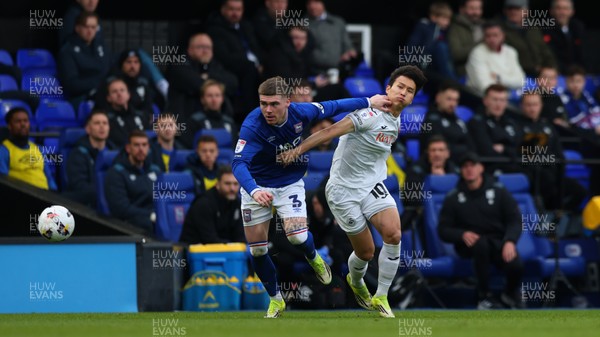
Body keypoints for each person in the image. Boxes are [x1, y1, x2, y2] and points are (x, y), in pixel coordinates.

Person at [232, 75, 391, 318]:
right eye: (263, 103)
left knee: (296, 237)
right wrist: (254, 189)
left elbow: (334, 106)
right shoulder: (253, 125)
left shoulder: (301, 112)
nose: (267, 109)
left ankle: (313, 256)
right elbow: (238, 163)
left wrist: (369, 101)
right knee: (257, 251)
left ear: (287, 101)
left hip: (289, 184)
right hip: (257, 186)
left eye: (274, 103)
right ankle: (276, 300)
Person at [279, 65, 427, 318]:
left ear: (413, 98)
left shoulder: (397, 118)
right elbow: (328, 132)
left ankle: (381, 296)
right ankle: (355, 281)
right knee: (366, 252)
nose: (403, 93)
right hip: (342, 191)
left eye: (410, 91)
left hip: (372, 185)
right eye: (400, 87)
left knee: (393, 234)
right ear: (388, 88)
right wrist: (296, 151)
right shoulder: (369, 115)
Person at [438, 151, 524, 309]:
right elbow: (443, 230)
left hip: (498, 241)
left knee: (515, 262)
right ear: (461, 171)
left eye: (473, 165)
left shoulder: (499, 191)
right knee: (481, 245)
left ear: (481, 168)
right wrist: (461, 234)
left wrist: (510, 241)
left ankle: (510, 294)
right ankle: (484, 297)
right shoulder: (453, 197)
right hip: (469, 245)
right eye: (465, 167)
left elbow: (515, 220)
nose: (469, 169)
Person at [517, 92, 587, 213]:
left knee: (580, 191)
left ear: (541, 105)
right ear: (521, 106)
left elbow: (559, 154)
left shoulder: (548, 126)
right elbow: (526, 156)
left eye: (535, 104)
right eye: (528, 105)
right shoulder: (516, 126)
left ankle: (558, 217)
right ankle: (549, 219)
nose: (532, 108)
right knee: (549, 185)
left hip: (553, 173)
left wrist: (556, 165)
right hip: (532, 174)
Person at [206, 0, 264, 120]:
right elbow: (224, 57)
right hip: (235, 69)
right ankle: (251, 115)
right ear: (223, 10)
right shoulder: (215, 29)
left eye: (238, 10)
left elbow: (258, 48)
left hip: (256, 66)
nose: (235, 13)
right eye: (231, 9)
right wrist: (253, 64)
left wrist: (262, 63)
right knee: (249, 70)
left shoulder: (246, 26)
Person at [166, 32, 238, 119]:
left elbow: (233, 82)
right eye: (200, 47)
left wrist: (208, 75)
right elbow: (197, 84)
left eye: (208, 47)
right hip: (185, 120)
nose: (205, 51)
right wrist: (214, 82)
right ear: (190, 50)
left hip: (214, 120)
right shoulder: (179, 65)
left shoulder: (215, 65)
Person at [104, 130, 161, 232]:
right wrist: (150, 215)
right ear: (128, 148)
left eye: (144, 145)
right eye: (136, 145)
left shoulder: (155, 170)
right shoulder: (116, 173)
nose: (141, 149)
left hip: (155, 217)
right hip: (130, 224)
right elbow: (121, 209)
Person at [402, 134, 459, 233]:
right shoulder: (415, 171)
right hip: (422, 219)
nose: (437, 154)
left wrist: (443, 180)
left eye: (441, 150)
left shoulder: (455, 171)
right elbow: (411, 199)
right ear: (427, 153)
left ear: (447, 153)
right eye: (433, 150)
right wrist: (431, 182)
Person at [58, 11, 111, 111]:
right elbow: (71, 84)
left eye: (93, 27)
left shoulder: (101, 47)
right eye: (86, 27)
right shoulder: (67, 51)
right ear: (77, 28)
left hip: (103, 92)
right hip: (80, 98)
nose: (90, 31)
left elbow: (110, 70)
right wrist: (99, 83)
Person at [63, 109, 116, 207]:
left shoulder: (113, 152)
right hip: (88, 204)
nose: (102, 126)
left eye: (105, 123)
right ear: (88, 129)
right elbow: (79, 187)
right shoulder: (78, 153)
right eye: (97, 123)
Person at [179, 165, 245, 244]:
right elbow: (210, 240)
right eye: (227, 184)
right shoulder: (203, 204)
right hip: (194, 251)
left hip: (223, 250)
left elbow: (240, 237)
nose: (232, 188)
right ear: (217, 184)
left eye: (235, 184)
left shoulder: (237, 203)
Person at [467, 84, 523, 175]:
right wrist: (511, 152)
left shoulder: (512, 123)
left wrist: (504, 149)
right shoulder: (476, 122)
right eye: (495, 99)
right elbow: (487, 152)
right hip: (489, 170)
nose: (498, 104)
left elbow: (523, 151)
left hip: (514, 167)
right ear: (485, 101)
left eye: (502, 100)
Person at [95, 49, 163, 119]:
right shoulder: (110, 83)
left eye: (136, 62)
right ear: (122, 64)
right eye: (128, 62)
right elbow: (101, 107)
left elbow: (149, 110)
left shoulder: (144, 83)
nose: (132, 66)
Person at [0, 108, 57, 190]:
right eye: (18, 121)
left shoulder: (39, 149)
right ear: (9, 126)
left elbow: (49, 178)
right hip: (22, 196)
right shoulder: (3, 151)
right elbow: (4, 183)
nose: (23, 124)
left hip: (46, 195)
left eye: (25, 121)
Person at [465, 21, 526, 95]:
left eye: (495, 35)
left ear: (503, 36)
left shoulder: (511, 51)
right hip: (481, 96)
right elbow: (484, 85)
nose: (492, 39)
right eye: (488, 36)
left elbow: (521, 81)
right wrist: (509, 82)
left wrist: (498, 78)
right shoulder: (477, 53)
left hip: (508, 95)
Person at [421, 81, 475, 163]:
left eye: (456, 100)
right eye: (449, 99)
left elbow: (472, 146)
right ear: (438, 98)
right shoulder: (428, 121)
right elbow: (438, 149)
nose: (453, 104)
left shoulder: (460, 122)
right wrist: (463, 149)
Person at [500, 0, 557, 77]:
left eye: (517, 9)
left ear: (526, 11)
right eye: (510, 9)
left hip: (540, 74)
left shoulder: (533, 28)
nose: (513, 12)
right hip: (516, 74)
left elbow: (545, 50)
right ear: (505, 11)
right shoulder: (500, 30)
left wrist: (550, 67)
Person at [305, 0, 359, 78]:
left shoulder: (338, 22)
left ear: (323, 3)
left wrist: (349, 51)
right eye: (309, 3)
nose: (312, 6)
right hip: (313, 73)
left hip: (339, 72)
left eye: (316, 2)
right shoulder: (302, 24)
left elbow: (347, 43)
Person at [404, 1, 456, 80]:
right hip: (421, 64)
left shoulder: (444, 32)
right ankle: (452, 81)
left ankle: (452, 79)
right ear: (434, 17)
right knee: (441, 46)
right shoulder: (424, 27)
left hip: (434, 67)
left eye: (449, 19)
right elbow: (411, 47)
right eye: (444, 18)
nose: (447, 22)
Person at [181, 79, 237, 149]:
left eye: (217, 95)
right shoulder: (194, 122)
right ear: (202, 99)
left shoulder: (230, 123)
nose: (214, 99)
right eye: (210, 96)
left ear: (222, 98)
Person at [104, 78, 150, 148]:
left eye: (122, 90)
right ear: (108, 98)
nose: (119, 94)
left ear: (128, 94)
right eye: (114, 91)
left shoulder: (142, 116)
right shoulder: (106, 120)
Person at [544, 0, 586, 74]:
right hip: (555, 74)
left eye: (565, 9)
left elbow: (583, 55)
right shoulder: (544, 29)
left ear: (572, 11)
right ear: (551, 11)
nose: (562, 12)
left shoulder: (578, 29)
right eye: (558, 8)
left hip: (576, 75)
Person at [448, 0, 485, 78]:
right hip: (467, 73)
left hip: (490, 69)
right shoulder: (455, 28)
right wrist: (481, 43)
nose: (476, 12)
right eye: (471, 8)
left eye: (478, 8)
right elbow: (456, 54)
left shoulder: (485, 26)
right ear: (462, 9)